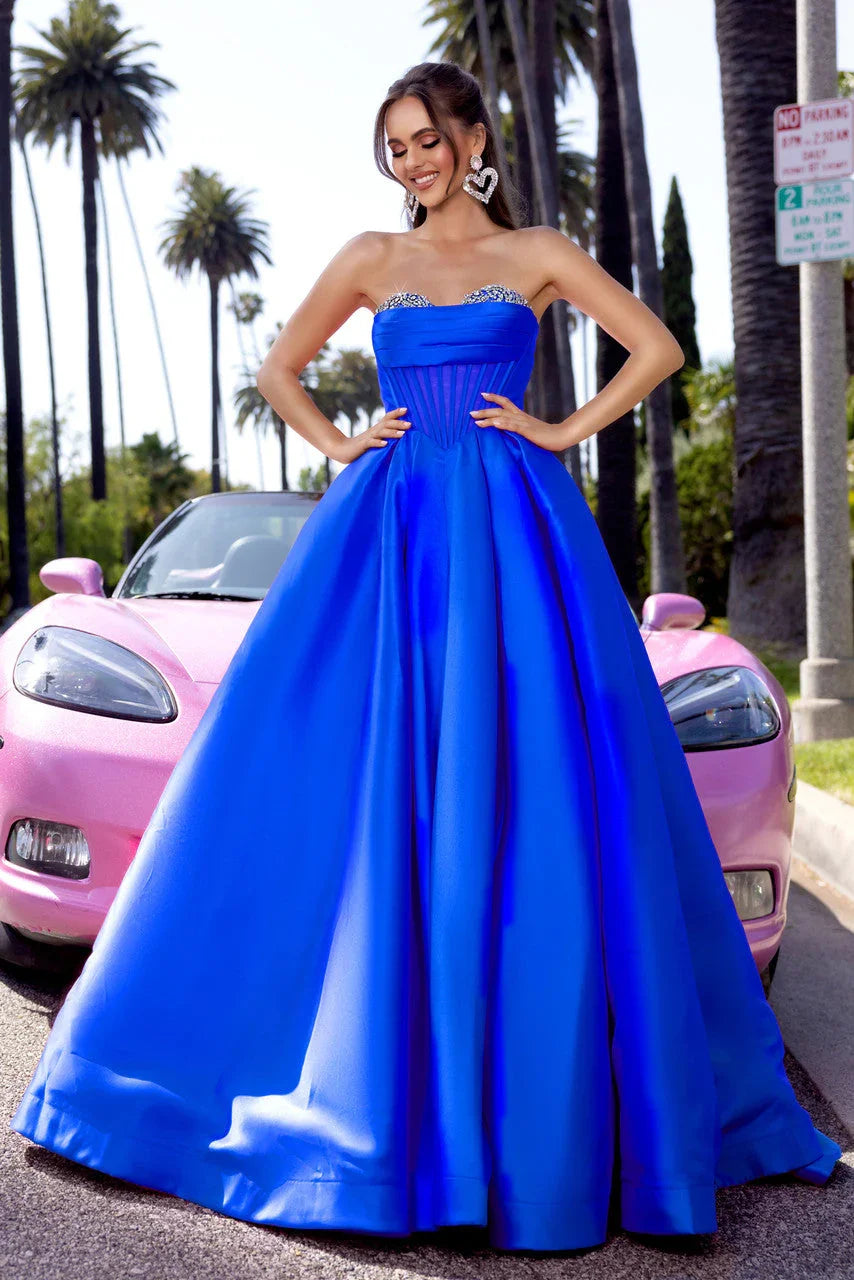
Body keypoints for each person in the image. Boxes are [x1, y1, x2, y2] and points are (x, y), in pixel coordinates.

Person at [9, 60, 840, 1254]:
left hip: (514, 535)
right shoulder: (367, 260)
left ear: (471, 135)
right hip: (394, 540)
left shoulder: (538, 252)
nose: (412, 161)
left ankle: (526, 1123)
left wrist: (558, 428)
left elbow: (652, 346)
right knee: (364, 796)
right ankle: (350, 1094)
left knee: (536, 803)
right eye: (394, 146)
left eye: (425, 138)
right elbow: (276, 368)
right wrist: (344, 441)